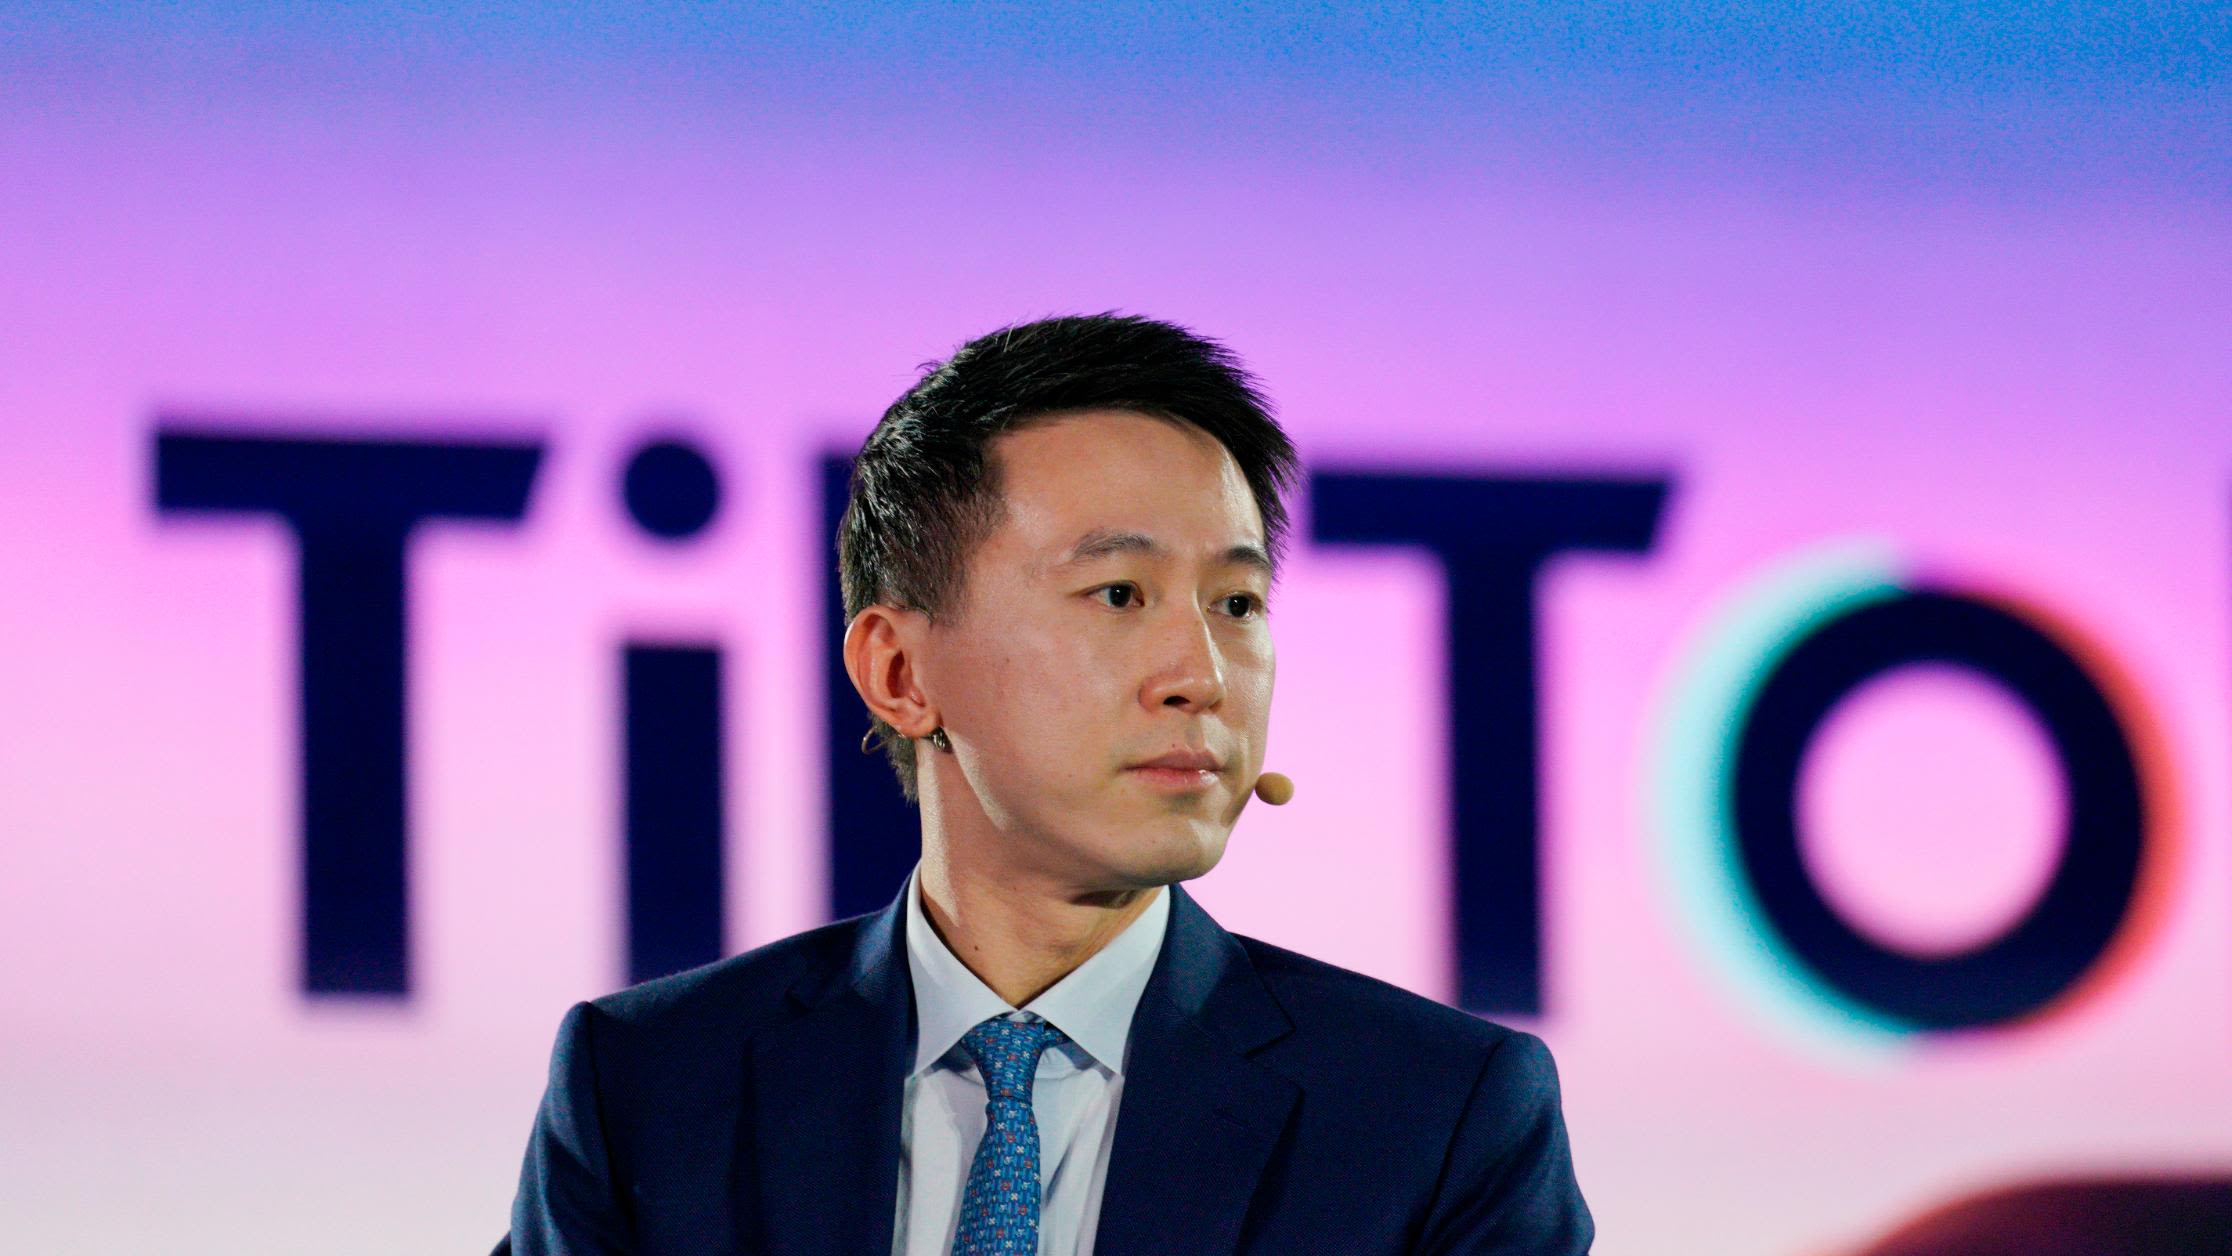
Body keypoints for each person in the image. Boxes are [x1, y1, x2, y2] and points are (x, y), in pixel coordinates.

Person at [497, 313, 1592, 1254]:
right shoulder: (647, 1089)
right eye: (1119, 594)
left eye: (1237, 604)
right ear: (900, 671)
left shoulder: (1436, 1120)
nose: (1202, 677)